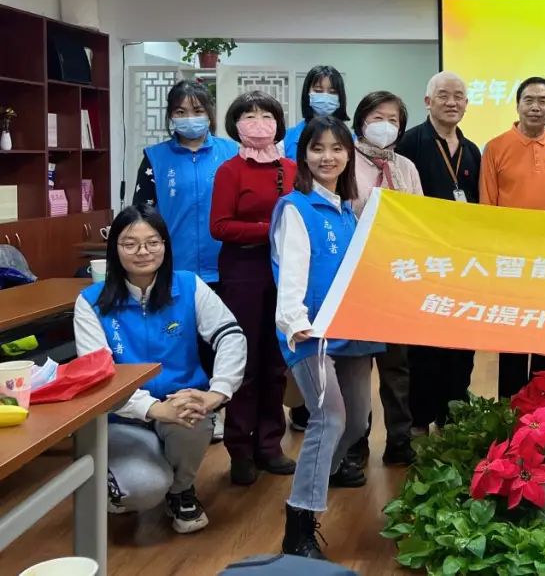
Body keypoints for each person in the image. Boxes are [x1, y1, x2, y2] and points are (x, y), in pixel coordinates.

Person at [73, 205, 246, 533]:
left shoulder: (190, 285)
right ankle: (124, 480)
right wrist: (153, 408)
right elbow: (99, 376)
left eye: (153, 242)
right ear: (114, 249)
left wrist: (217, 392)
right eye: (130, 244)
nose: (143, 252)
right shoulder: (91, 302)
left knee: (193, 416)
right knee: (144, 487)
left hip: (182, 404)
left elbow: (231, 336)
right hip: (121, 415)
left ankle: (181, 490)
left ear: (165, 245)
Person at [272, 117, 385, 560]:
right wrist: (294, 321)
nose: (328, 157)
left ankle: (319, 475)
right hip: (310, 334)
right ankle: (299, 524)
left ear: (349, 156)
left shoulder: (347, 211)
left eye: (337, 149)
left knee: (357, 423)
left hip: (351, 331)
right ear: (303, 155)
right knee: (330, 418)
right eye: (317, 148)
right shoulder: (295, 208)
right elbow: (290, 273)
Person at [210, 91, 296, 485]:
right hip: (243, 269)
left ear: (278, 123)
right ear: (235, 124)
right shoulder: (230, 170)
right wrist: (270, 230)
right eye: (249, 115)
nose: (258, 122)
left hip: (285, 271)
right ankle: (240, 450)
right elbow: (220, 226)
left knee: (276, 362)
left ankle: (269, 444)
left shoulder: (292, 168)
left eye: (266, 115)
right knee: (244, 361)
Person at [396, 71, 481, 434]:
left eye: (459, 96)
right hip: (424, 261)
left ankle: (453, 415)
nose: (452, 102)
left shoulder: (472, 150)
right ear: (427, 101)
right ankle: (419, 420)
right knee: (424, 348)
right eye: (443, 95)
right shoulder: (410, 143)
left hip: (463, 264)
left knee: (461, 344)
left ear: (467, 103)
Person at [481, 77, 545, 398]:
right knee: (513, 339)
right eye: (528, 100)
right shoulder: (495, 147)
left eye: (543, 101)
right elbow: (487, 206)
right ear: (517, 105)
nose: (535, 107)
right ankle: (512, 407)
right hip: (511, 261)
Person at [352, 90, 423, 466]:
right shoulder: (345, 161)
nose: (385, 126)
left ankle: (399, 439)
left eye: (393, 120)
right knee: (357, 366)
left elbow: (418, 218)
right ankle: (356, 441)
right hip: (357, 277)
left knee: (396, 366)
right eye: (377, 118)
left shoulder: (406, 167)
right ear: (361, 120)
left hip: (396, 278)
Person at [133, 80, 238, 283]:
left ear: (209, 113)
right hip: (172, 268)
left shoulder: (231, 152)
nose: (190, 118)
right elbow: (142, 214)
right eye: (181, 112)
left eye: (198, 111)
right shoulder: (155, 157)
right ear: (171, 115)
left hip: (225, 267)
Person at [282, 65, 349, 160]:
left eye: (332, 92)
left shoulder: (348, 138)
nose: (325, 96)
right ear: (307, 94)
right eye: (318, 90)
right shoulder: (288, 138)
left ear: (340, 97)